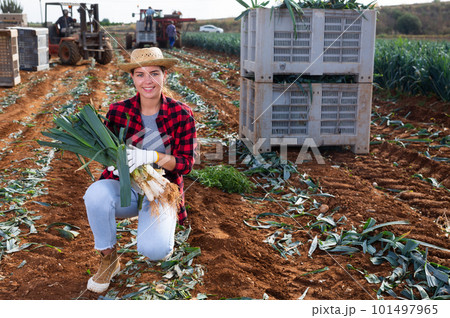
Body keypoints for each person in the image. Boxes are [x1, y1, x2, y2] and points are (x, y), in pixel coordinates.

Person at [83, 47, 197, 293]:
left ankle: (158, 228)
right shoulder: (118, 111)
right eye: (140, 74)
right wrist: (111, 161)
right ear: (132, 78)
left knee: (154, 251)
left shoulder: (182, 114)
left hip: (161, 189)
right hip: (126, 187)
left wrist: (154, 156)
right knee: (95, 194)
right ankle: (109, 258)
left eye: (154, 73)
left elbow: (186, 164)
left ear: (165, 75)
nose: (148, 81)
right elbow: (104, 148)